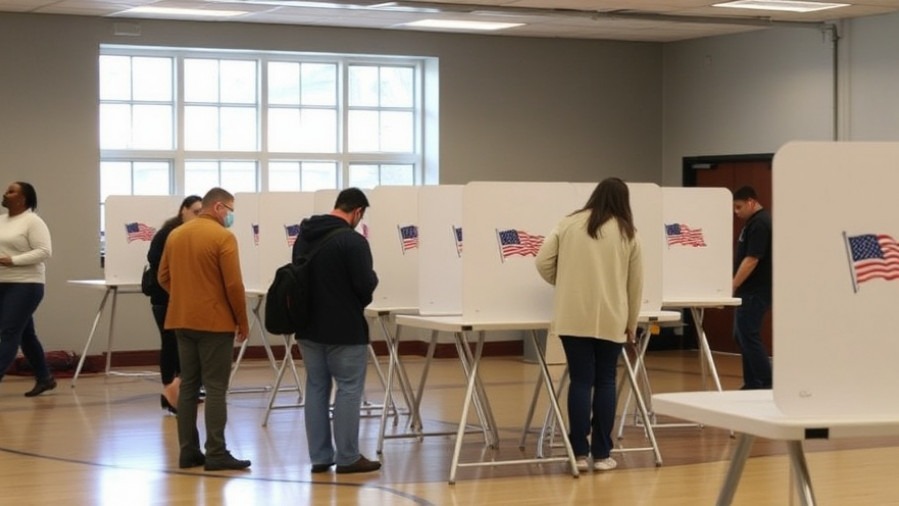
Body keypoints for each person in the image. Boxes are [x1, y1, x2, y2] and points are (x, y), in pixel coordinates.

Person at [535, 177, 643, 473]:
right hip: (613, 317)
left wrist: (565, 280)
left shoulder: (568, 223)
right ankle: (602, 454)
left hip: (573, 315)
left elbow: (542, 262)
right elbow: (635, 284)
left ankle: (578, 454)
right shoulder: (627, 232)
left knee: (580, 381)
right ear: (623, 200)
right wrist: (631, 322)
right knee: (606, 381)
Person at [158, 187, 251, 471]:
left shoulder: (176, 234)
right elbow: (233, 285)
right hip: (215, 323)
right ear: (219, 208)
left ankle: (188, 451)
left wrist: (185, 296)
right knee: (215, 388)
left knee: (188, 386)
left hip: (181, 320)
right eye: (231, 210)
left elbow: (163, 277)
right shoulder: (223, 237)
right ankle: (216, 452)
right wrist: (242, 320)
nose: (231, 216)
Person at [292, 187, 380, 474]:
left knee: (316, 389)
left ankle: (319, 457)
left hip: (307, 328)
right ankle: (348, 457)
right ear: (358, 212)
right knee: (348, 390)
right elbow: (364, 288)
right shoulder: (353, 242)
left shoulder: (304, 236)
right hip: (344, 329)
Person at [147, 195, 202, 415]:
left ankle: (181, 391)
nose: (198, 216)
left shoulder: (191, 234)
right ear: (183, 210)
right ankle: (169, 390)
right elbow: (156, 262)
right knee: (170, 343)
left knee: (182, 345)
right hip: (164, 298)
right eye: (195, 211)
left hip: (180, 297)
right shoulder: (168, 233)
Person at [0, 182, 56, 397]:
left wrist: (12, 260)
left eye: (11, 191)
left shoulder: (33, 221)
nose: (5, 193)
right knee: (25, 334)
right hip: (3, 284)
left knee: (8, 332)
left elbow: (44, 251)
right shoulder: (2, 221)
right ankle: (45, 378)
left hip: (26, 284)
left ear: (23, 199)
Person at [731, 185, 773, 390]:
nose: (736, 212)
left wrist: (733, 283)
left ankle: (766, 382)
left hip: (756, 290)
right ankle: (752, 382)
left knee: (748, 334)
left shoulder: (760, 224)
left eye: (739, 207)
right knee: (741, 335)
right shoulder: (752, 223)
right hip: (749, 291)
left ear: (751, 202)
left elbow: (752, 259)